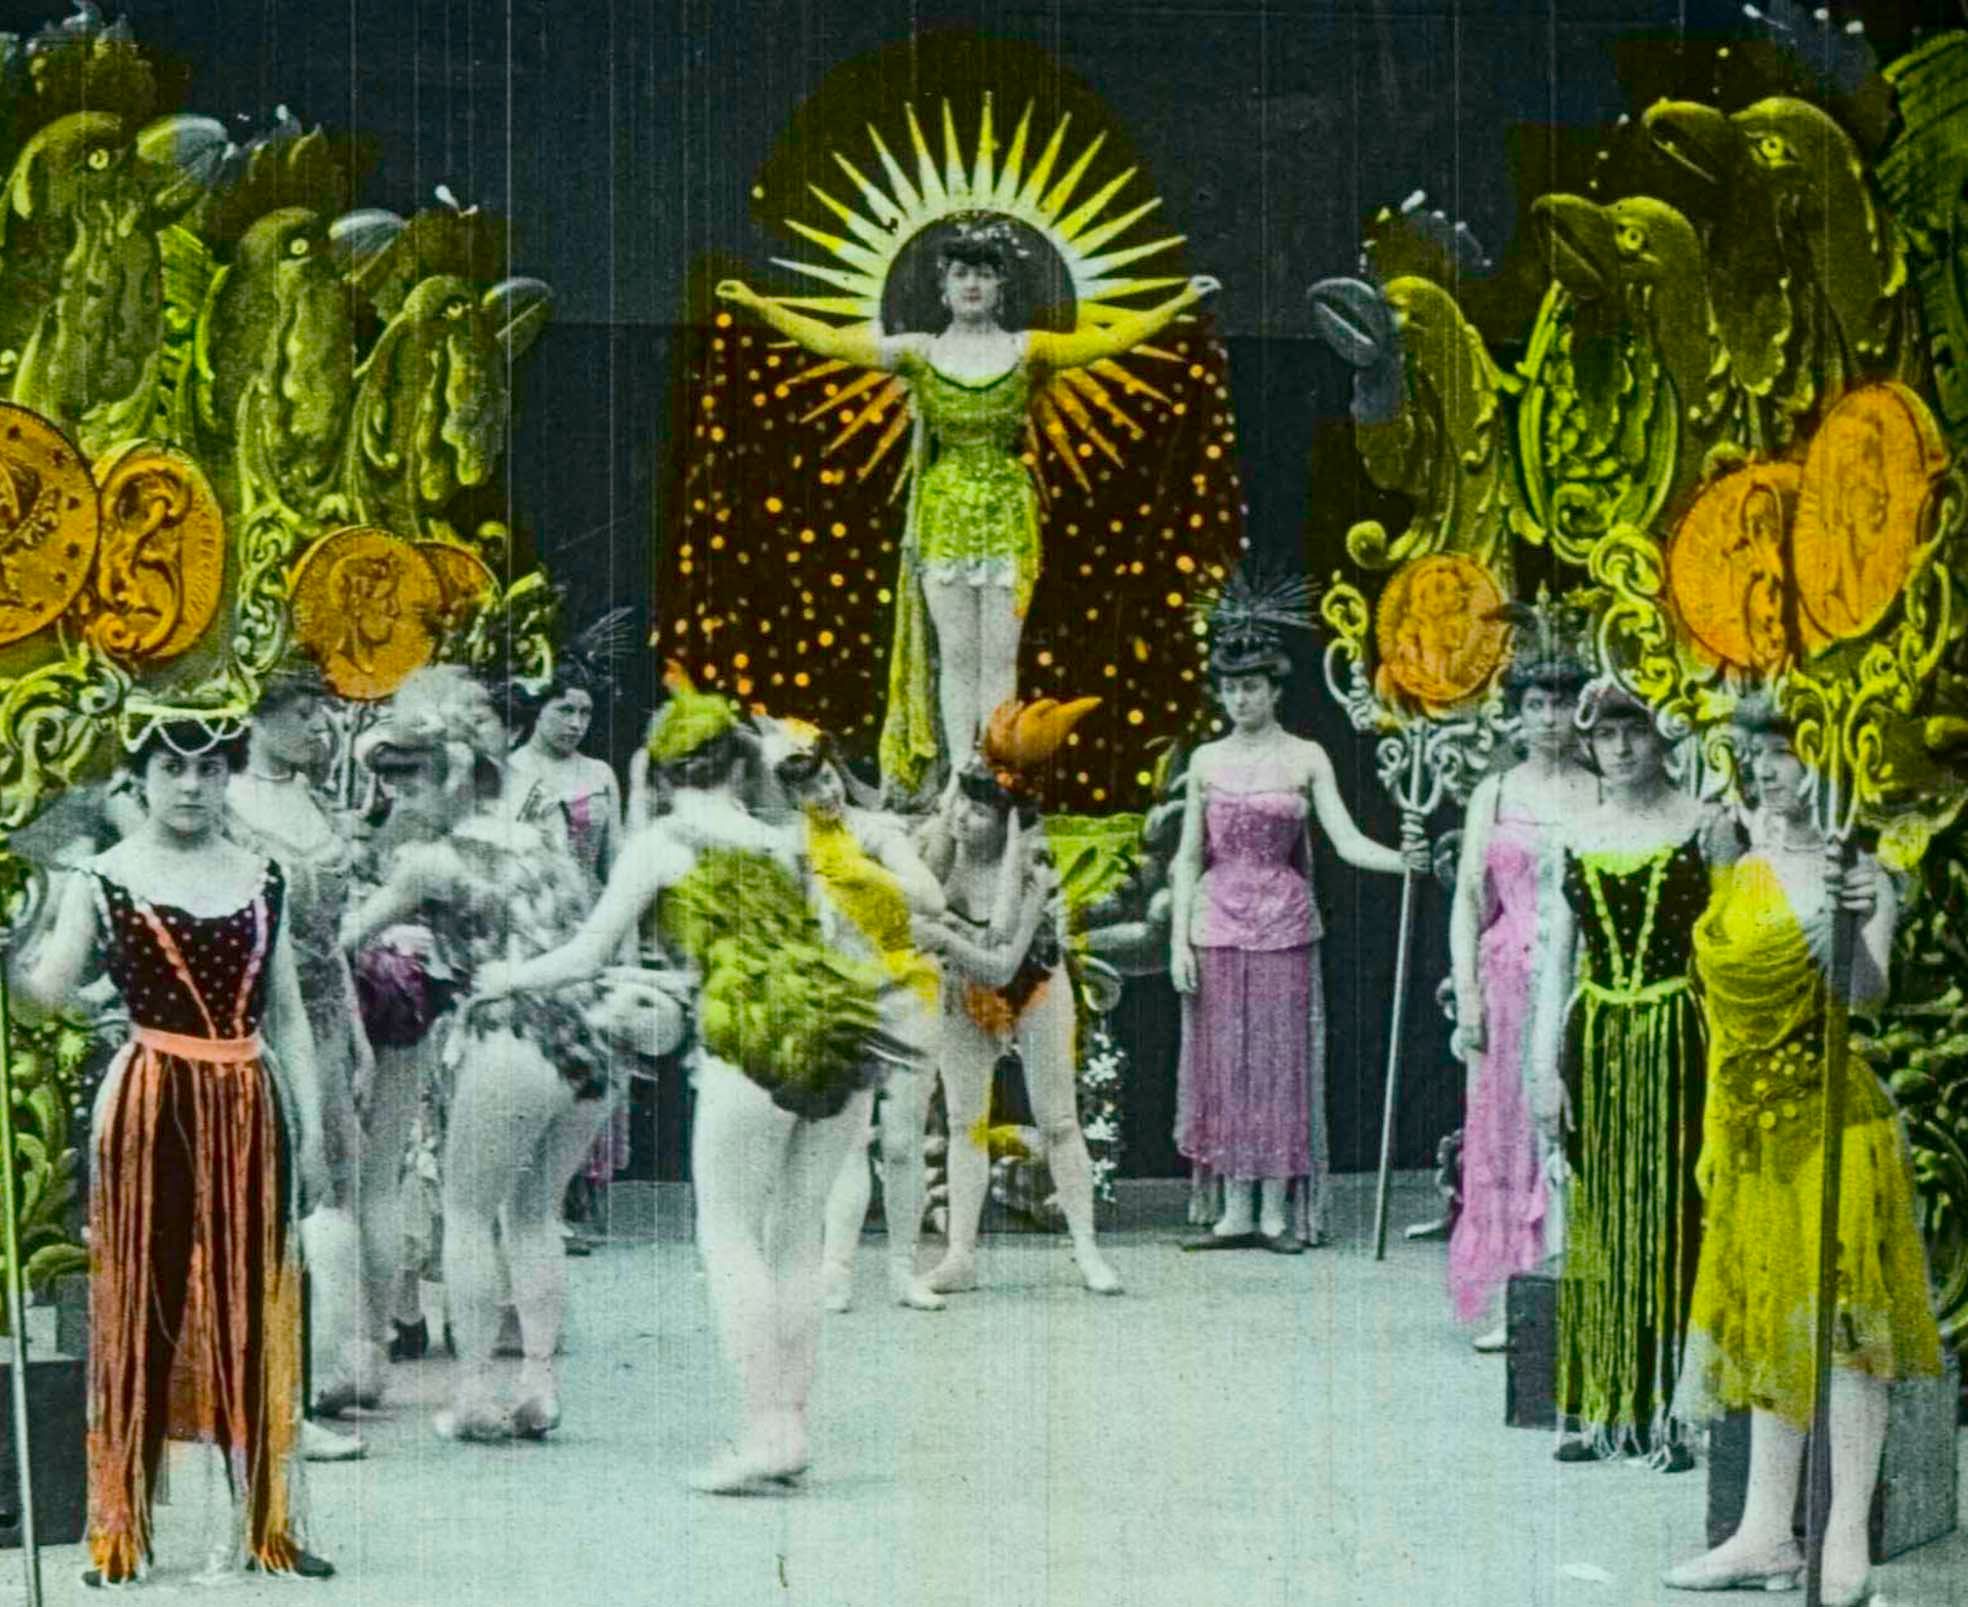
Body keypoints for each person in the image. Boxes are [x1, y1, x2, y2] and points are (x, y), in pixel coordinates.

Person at [474, 675, 889, 1491]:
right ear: (737, 764)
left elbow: (588, 952)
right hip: (841, 1022)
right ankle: (789, 1420)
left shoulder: (665, 842)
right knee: (798, 1236)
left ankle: (766, 1429)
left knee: (729, 1234)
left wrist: (506, 977)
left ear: (662, 769)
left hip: (753, 1030)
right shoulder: (782, 841)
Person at [716, 220, 1219, 791]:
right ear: (944, 287)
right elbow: (832, 342)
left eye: (983, 274)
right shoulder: (920, 352)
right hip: (945, 512)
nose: (972, 284)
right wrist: (761, 306)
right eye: (961, 274)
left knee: (1000, 658)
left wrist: (1178, 302)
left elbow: (1109, 342)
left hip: (1006, 512)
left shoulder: (1028, 348)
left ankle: (997, 772)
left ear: (1000, 286)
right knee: (956, 655)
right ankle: (960, 779)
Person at [11, 712, 333, 1585]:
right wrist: (8, 958)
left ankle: (266, 1521)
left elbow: (290, 1013)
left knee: (252, 1305)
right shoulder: (104, 877)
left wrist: (310, 1131)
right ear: (142, 777)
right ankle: (123, 1530)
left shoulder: (264, 877)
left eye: (210, 768)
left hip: (250, 1098)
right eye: (171, 767)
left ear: (228, 776)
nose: (191, 786)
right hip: (152, 1100)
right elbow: (49, 994)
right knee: (145, 1305)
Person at [1662, 698, 1942, 1604]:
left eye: (1789, 752)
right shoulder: (1738, 861)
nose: (1769, 769)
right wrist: (1718, 1126)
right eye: (1758, 754)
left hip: (1834, 1123)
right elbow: (1719, 1012)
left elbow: (1865, 994)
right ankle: (1763, 1533)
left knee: (1848, 1329)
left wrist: (1848, 926)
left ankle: (1843, 1533)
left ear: (1832, 763)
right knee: (1763, 1322)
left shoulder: (1858, 872)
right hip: (1752, 1127)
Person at [340, 667, 614, 1443]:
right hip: (588, 1043)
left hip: (509, 1036)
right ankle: (539, 1381)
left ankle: (473, 1390)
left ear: (454, 773)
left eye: (412, 777)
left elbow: (344, 938)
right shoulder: (543, 839)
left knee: (465, 1214)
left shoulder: (431, 861)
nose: (400, 793)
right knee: (535, 1213)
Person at [1168, 614, 1430, 1250]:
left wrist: (1402, 862)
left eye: (1252, 687)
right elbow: (1189, 856)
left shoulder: (1305, 756)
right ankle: (1234, 1209)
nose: (1241, 699)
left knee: (1279, 1062)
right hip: (1215, 922)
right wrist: (1178, 941)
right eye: (1231, 688)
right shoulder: (1205, 760)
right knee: (1227, 1062)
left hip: (1284, 924)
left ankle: (1275, 1211)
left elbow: (1344, 840)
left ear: (1275, 689)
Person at [1529, 682, 1734, 1470]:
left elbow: (1725, 952)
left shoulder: (1704, 826)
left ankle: (1677, 1410)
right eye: (1606, 734)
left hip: (1680, 1033)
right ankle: (1605, 1401)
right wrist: (1545, 1067)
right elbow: (1557, 962)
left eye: (1635, 732)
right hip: (1599, 1034)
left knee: (1677, 1209)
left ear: (1662, 738)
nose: (1620, 748)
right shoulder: (1573, 834)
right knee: (1603, 1214)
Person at [911, 699, 1122, 1294]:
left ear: (1007, 820)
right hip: (963, 986)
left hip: (1033, 982)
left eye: (980, 812)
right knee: (964, 1122)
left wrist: (1011, 846)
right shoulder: (941, 848)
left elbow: (1004, 952)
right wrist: (954, 798)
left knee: (1058, 1120)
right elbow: (921, 891)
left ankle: (1086, 1249)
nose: (964, 819)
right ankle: (960, 1254)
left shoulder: (1032, 862)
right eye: (963, 804)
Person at [226, 664, 381, 1442]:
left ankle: (328, 1364)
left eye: (322, 714)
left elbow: (330, 940)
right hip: (254, 1017)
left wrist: (355, 1029)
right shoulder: (226, 804)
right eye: (302, 714)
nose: (318, 729)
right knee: (278, 1191)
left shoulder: (315, 800)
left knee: (333, 1183)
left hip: (321, 1013)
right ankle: (278, 1379)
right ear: (259, 719)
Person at [1446, 612, 1597, 1344]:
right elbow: (1468, 900)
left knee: (1567, 1129)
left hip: (1580, 979)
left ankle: (1572, 1285)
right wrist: (1467, 994)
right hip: (1506, 979)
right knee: (1503, 1132)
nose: (1549, 719)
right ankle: (1513, 1296)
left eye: (1562, 704)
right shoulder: (1496, 793)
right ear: (1518, 713)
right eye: (1535, 704)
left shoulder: (1600, 791)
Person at [770, 733, 948, 1314]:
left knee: (901, 1141)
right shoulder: (790, 846)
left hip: (903, 985)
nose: (824, 794)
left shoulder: (876, 831)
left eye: (827, 778)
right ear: (790, 796)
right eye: (808, 788)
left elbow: (931, 898)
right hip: (839, 993)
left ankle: (903, 1271)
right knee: (844, 1142)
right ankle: (836, 1270)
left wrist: (868, 875)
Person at [506, 656, 628, 1250]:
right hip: (532, 924)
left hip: (593, 923)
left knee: (590, 1059)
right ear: (539, 710)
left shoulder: (600, 774)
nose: (576, 722)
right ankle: (530, 1203)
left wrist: (625, 941)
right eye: (565, 710)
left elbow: (618, 859)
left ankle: (573, 1197)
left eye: (585, 712)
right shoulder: (509, 770)